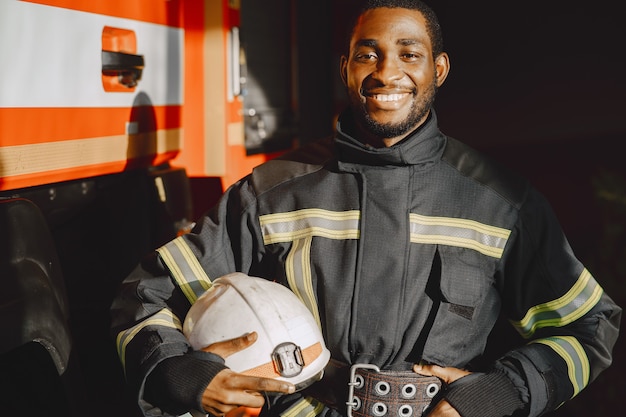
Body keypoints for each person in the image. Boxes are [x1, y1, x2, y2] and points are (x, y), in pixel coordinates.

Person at [110, 1, 621, 416]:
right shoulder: (271, 191)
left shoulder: (500, 201)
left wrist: (500, 393)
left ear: (438, 69)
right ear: (346, 69)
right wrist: (182, 376)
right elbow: (150, 295)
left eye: (409, 54)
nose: (386, 72)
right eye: (367, 54)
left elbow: (588, 326)